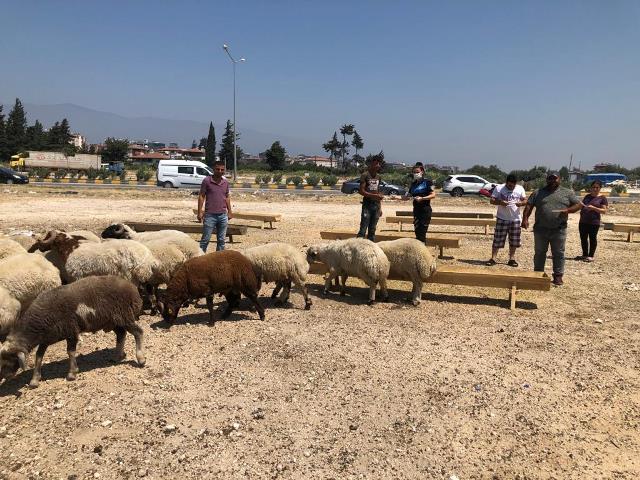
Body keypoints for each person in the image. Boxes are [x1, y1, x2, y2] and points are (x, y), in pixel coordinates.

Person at [522, 171, 581, 286]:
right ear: (546, 180)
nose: (553, 181)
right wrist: (525, 219)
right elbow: (529, 205)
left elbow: (578, 204)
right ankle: (538, 275)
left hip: (559, 229)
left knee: (558, 253)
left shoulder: (567, 193)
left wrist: (568, 210)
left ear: (560, 179)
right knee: (539, 253)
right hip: (540, 229)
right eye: (550, 178)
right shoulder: (538, 193)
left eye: (555, 178)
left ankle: (558, 276)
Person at [486, 174, 527, 267]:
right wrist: (500, 202)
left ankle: (511, 259)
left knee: (514, 240)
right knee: (498, 239)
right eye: (509, 185)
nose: (511, 187)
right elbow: (491, 200)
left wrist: (521, 203)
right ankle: (493, 258)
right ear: (506, 183)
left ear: (515, 184)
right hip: (502, 218)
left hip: (515, 219)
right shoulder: (499, 188)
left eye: (512, 186)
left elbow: (525, 200)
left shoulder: (520, 188)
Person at [197, 161, 233, 252]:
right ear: (213, 169)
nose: (220, 171)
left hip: (223, 216)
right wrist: (200, 212)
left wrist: (230, 211)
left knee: (221, 241)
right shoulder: (207, 181)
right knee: (205, 240)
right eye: (218, 169)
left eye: (222, 170)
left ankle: (218, 260)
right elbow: (201, 196)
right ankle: (200, 259)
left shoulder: (225, 182)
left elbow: (227, 197)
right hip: (210, 215)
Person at [576, 180, 608, 262]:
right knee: (583, 238)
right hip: (583, 221)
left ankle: (591, 256)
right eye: (593, 187)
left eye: (597, 187)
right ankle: (585, 254)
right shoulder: (587, 196)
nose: (595, 189)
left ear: (600, 188)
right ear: (591, 187)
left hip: (594, 222)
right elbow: (581, 206)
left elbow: (604, 211)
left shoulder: (602, 198)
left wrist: (594, 208)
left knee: (592, 238)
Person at [403, 163, 436, 243]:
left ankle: (422, 251)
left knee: (422, 232)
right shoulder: (413, 184)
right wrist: (396, 197)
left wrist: (422, 198)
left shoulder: (428, 182)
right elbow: (407, 197)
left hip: (425, 211)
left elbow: (433, 195)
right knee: (417, 232)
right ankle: (419, 250)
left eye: (417, 172)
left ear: (422, 172)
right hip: (416, 211)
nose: (415, 174)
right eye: (414, 172)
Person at [356, 155, 384, 241]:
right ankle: (358, 246)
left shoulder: (378, 177)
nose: (378, 165)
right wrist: (374, 196)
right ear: (371, 164)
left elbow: (378, 192)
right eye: (376, 163)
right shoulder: (365, 175)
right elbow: (361, 191)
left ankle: (370, 247)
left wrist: (380, 208)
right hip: (367, 205)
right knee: (363, 228)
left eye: (379, 164)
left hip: (376, 205)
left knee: (372, 229)